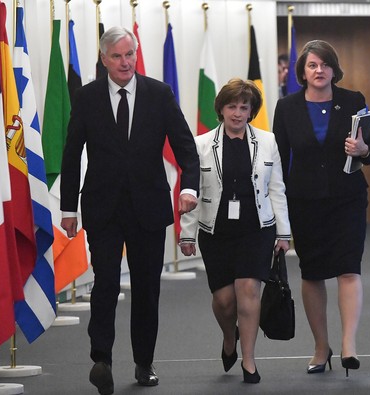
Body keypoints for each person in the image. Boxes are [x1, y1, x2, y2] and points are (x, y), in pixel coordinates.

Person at [60, 26, 200, 394]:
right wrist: (67, 209)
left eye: (130, 55)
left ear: (136, 55)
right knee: (105, 282)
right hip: (103, 207)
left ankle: (143, 362)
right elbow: (72, 153)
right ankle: (100, 359)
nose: (125, 62)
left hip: (148, 206)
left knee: (146, 288)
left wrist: (188, 187)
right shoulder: (86, 97)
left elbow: (186, 147)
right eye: (117, 56)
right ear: (104, 59)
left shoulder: (159, 93)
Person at [272, 40, 370, 377]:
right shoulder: (287, 107)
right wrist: (278, 214)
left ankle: (349, 344)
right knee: (313, 273)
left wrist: (362, 148)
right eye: (312, 65)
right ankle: (322, 346)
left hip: (347, 198)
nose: (319, 71)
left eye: (325, 65)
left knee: (349, 268)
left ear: (334, 70)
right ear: (302, 72)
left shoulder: (353, 101)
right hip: (304, 202)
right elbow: (276, 161)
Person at [179, 78, 291, 384]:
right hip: (216, 231)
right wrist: (186, 235)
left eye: (244, 107)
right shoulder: (202, 144)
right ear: (221, 109)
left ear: (252, 110)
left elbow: (276, 188)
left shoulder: (267, 141)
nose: (238, 113)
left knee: (248, 289)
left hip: (257, 228)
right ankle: (230, 336)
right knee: (225, 301)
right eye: (232, 106)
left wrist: (284, 232)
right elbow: (193, 191)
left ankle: (249, 360)